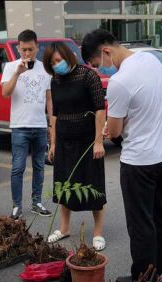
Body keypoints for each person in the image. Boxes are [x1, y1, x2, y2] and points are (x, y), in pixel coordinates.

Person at [81, 29, 162, 282]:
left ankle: (143, 278)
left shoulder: (120, 81)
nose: (101, 70)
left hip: (140, 161)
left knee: (140, 222)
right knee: (161, 212)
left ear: (106, 51)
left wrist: (107, 129)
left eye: (98, 65)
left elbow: (114, 131)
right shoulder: (151, 60)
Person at [42, 42, 107, 250]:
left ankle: (97, 233)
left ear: (69, 56)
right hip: (64, 140)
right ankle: (64, 227)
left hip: (88, 141)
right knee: (64, 184)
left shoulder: (88, 76)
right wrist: (53, 143)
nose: (56, 65)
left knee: (93, 184)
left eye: (58, 60)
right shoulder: (56, 80)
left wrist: (98, 141)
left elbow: (99, 110)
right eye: (52, 63)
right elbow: (54, 114)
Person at [1, 29, 53, 220]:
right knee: (17, 167)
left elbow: (49, 100)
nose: (27, 53)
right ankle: (16, 206)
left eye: (30, 49)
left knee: (39, 166)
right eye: (23, 50)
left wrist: (51, 126)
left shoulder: (45, 69)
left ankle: (37, 202)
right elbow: (5, 93)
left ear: (37, 47)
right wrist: (17, 73)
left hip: (39, 125)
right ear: (18, 48)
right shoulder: (10, 66)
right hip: (19, 126)